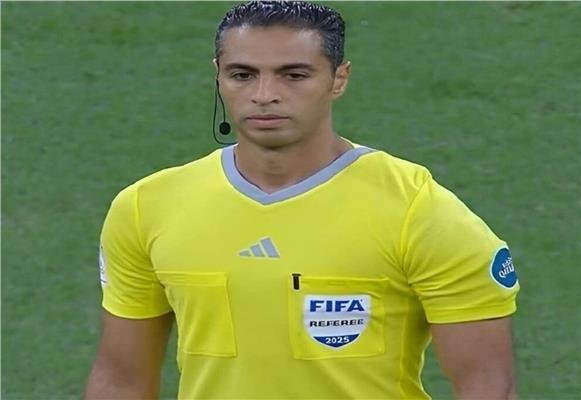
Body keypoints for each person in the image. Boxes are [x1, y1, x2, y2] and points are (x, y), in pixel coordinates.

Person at [85, 1, 520, 399]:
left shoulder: (417, 210)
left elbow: (487, 386)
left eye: (293, 75)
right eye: (242, 75)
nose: (264, 95)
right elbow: (121, 379)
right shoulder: (146, 207)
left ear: (338, 79)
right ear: (218, 75)